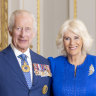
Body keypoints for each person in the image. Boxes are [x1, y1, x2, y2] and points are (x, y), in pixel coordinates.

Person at [0, 10, 52, 96]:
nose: (23, 34)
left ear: (34, 33)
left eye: (27, 29)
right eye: (18, 28)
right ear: (10, 31)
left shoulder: (44, 63)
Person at [48, 19, 96, 96]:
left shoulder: (94, 62)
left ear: (83, 39)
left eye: (76, 37)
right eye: (67, 38)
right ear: (62, 41)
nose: (72, 43)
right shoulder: (53, 64)